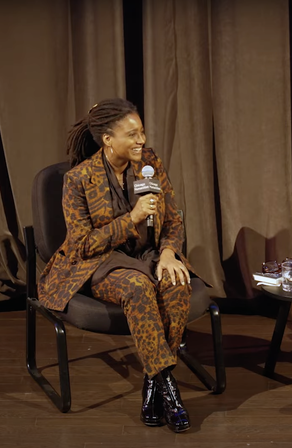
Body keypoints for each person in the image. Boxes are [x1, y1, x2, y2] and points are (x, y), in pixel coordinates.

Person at [38, 98, 198, 433]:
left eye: (142, 131)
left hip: (147, 255)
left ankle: (153, 381)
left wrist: (169, 253)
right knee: (138, 288)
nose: (142, 140)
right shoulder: (78, 180)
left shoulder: (150, 163)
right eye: (132, 134)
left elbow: (174, 220)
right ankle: (169, 388)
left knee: (177, 282)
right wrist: (132, 218)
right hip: (100, 263)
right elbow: (83, 245)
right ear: (108, 140)